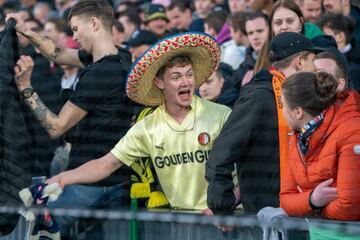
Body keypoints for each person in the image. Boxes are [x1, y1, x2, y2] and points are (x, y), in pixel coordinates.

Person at [47, 32, 231, 211]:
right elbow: (105, 164)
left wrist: (228, 202)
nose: (186, 82)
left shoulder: (222, 115)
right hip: (180, 223)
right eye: (176, 77)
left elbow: (249, 164)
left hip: (227, 221)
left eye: (189, 74)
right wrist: (63, 177)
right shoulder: (147, 127)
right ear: (160, 83)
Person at [7, 0, 135, 237]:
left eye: (76, 29)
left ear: (94, 23)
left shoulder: (99, 74)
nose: (73, 37)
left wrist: (25, 87)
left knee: (39, 232)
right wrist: (27, 31)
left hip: (89, 185)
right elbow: (58, 54)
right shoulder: (122, 57)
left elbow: (56, 127)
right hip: (119, 181)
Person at [206, 32, 323, 224]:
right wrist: (222, 206)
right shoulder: (259, 97)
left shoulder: (300, 98)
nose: (315, 67)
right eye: (312, 60)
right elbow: (223, 150)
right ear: (300, 62)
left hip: (298, 208)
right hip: (265, 215)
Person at [280, 71, 360, 221]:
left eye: (282, 105)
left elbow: (350, 205)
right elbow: (285, 200)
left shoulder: (352, 131)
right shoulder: (298, 137)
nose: (281, 111)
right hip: (319, 231)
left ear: (298, 112)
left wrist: (313, 209)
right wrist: (312, 200)